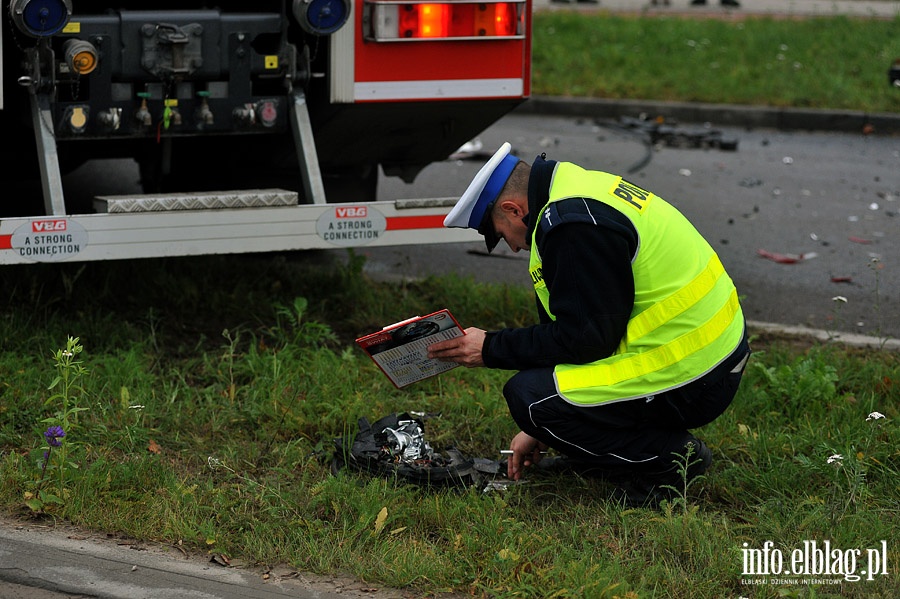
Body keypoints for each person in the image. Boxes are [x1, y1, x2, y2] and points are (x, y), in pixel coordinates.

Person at [427, 142, 751, 506]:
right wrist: (543, 429)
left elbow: (586, 340)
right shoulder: (574, 189)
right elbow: (586, 326)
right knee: (541, 403)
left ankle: (671, 461)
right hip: (707, 354)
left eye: (500, 234)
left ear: (512, 209)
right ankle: (619, 452)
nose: (512, 247)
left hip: (692, 373)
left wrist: (489, 348)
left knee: (529, 397)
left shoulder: (570, 226)